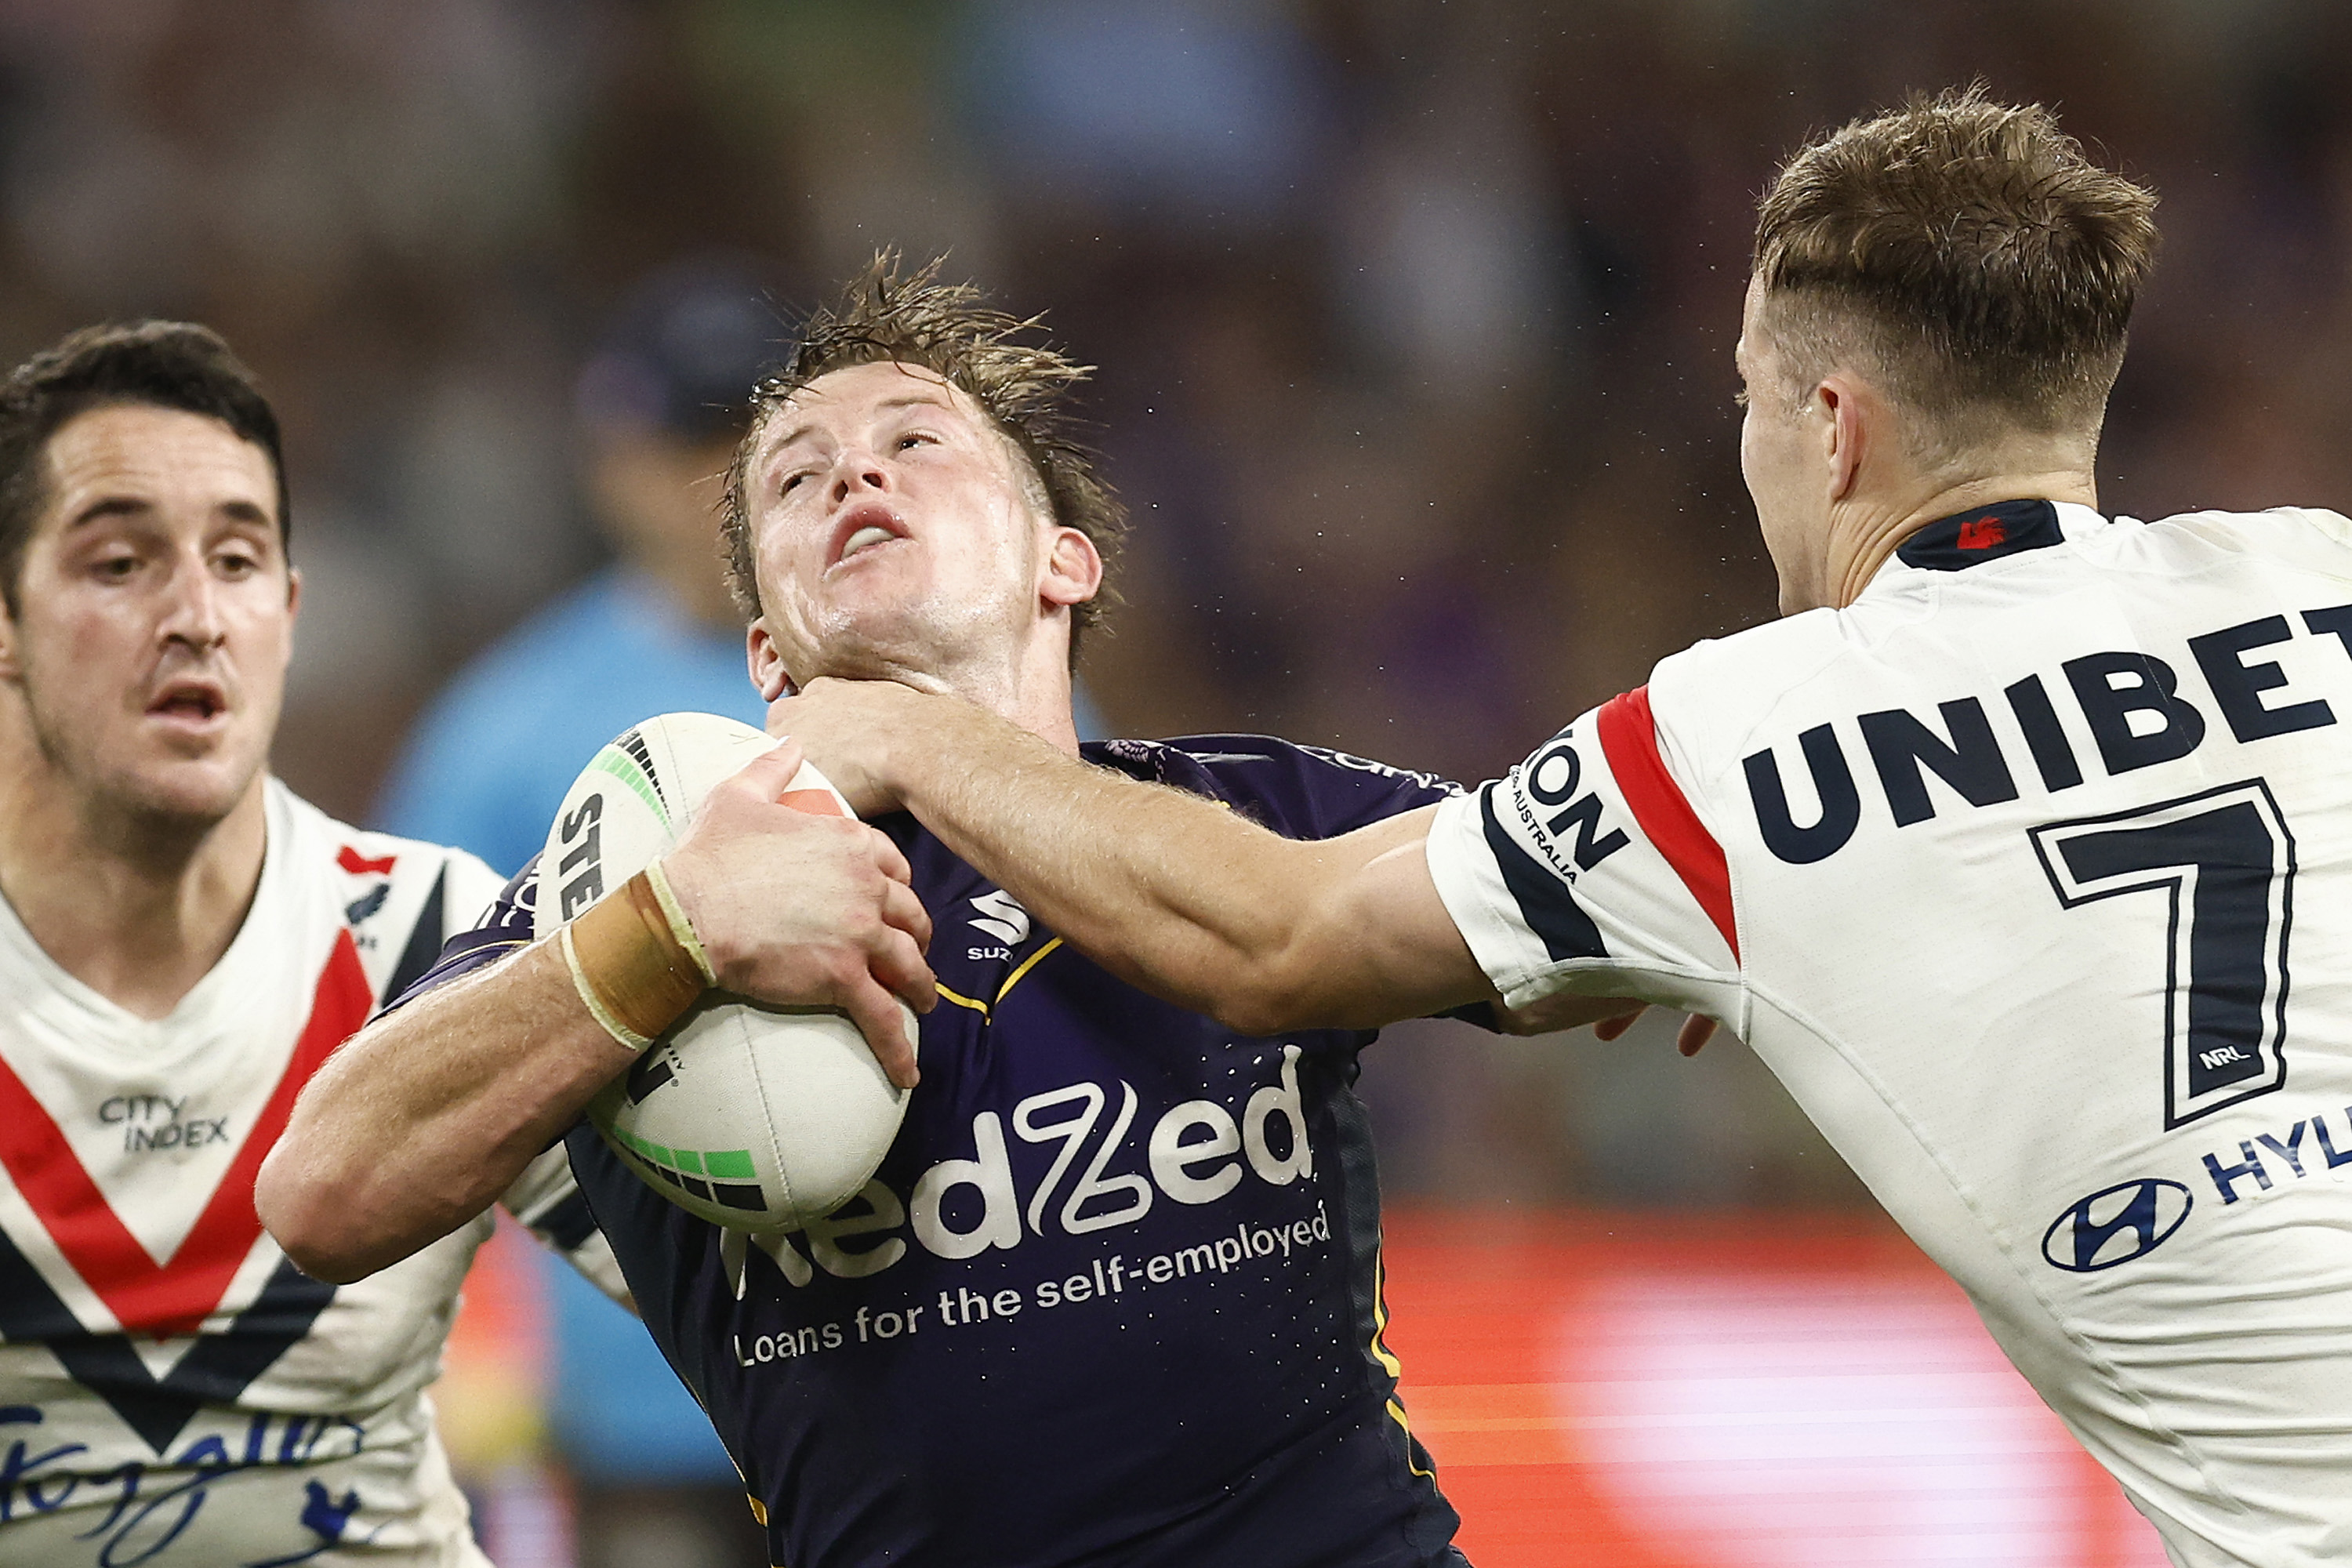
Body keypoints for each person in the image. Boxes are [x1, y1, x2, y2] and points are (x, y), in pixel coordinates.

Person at [762, 91, 2352, 1567]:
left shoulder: (1736, 745)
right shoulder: (2320, 577)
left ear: (1836, 429)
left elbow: (1274, 935)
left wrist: (904, 727)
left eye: (1747, 401)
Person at [260, 258, 1480, 1568]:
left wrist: (910, 739)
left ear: (1064, 561)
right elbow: (323, 1189)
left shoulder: (1260, 810)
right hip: (642, 1462)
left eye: (917, 443)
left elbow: (1573, 913)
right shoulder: (640, 874)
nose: (858, 477)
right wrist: (666, 935)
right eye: (796, 476)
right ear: (766, 652)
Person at [0, 322, 633, 1566]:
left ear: (288, 612)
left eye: (238, 560)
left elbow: (762, 1308)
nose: (196, 615)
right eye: (120, 563)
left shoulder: (443, 939)